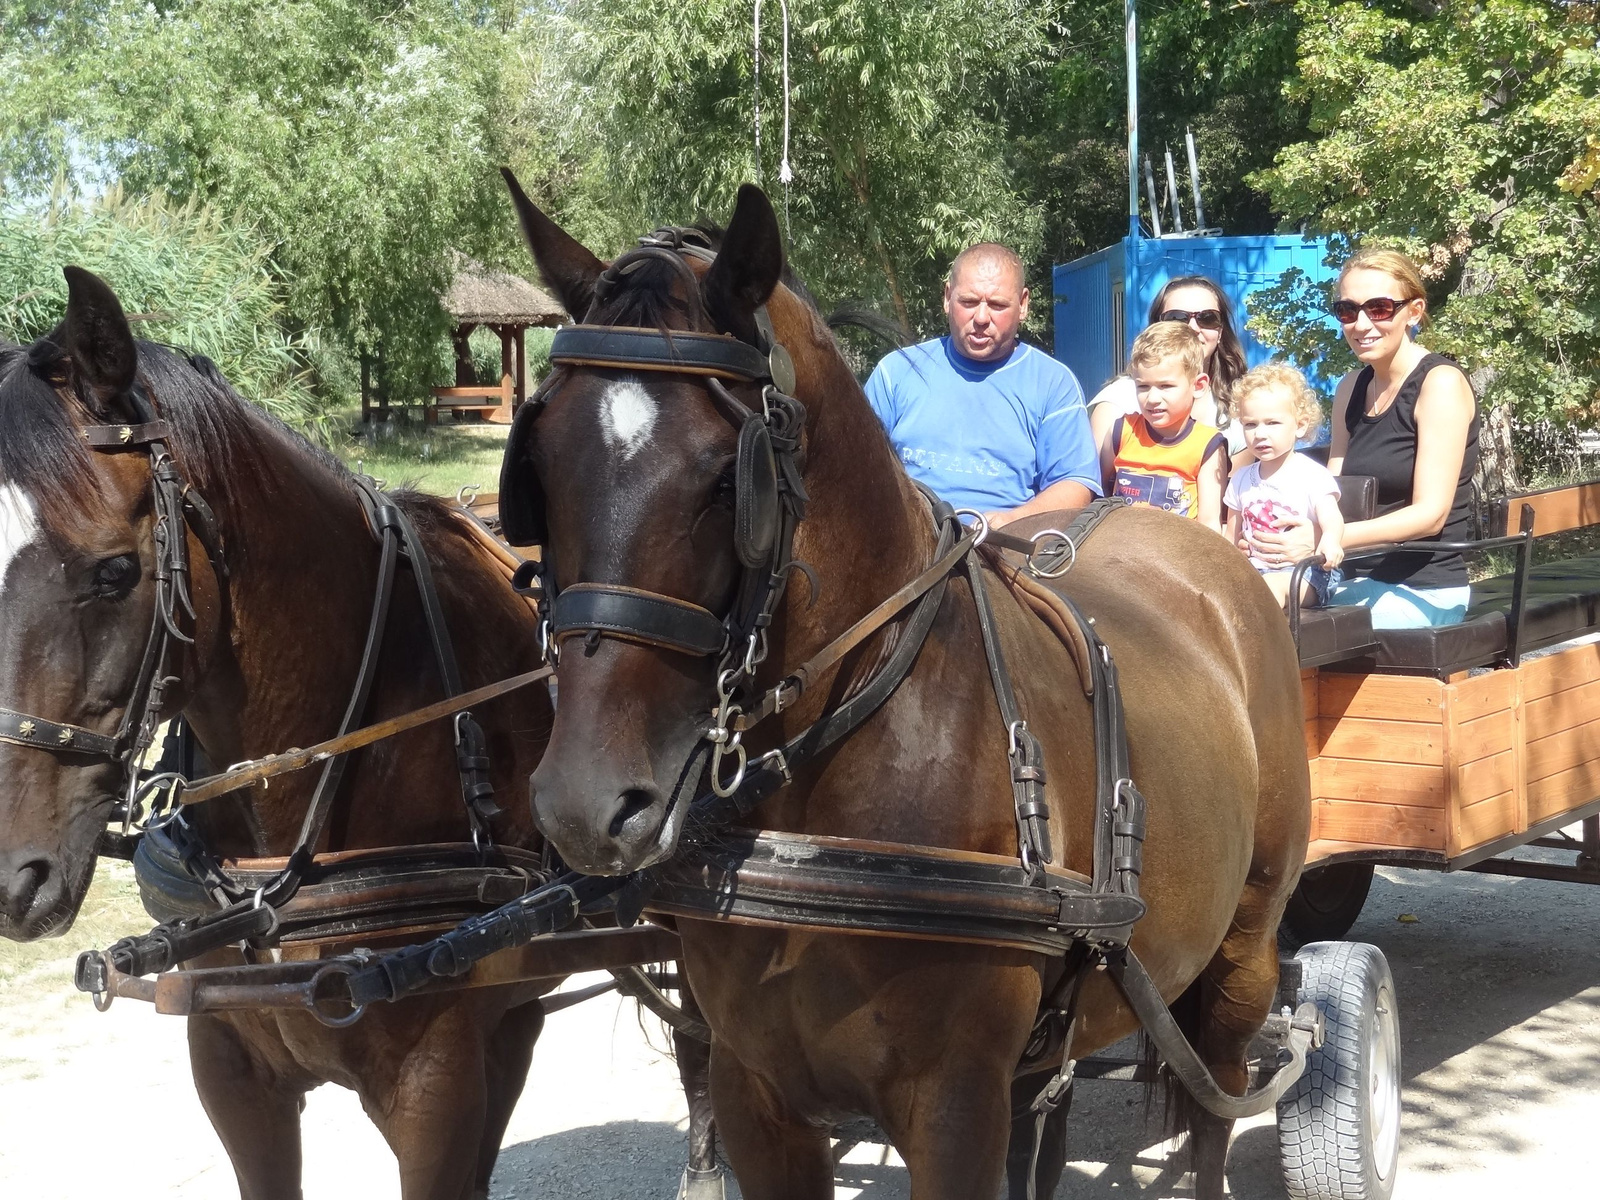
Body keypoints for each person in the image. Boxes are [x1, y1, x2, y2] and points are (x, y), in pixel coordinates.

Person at [1244, 248, 1479, 628]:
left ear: (1414, 312)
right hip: (1345, 577)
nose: (1362, 323)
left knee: (1268, 627)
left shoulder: (1440, 384)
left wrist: (1325, 537)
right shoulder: (1351, 388)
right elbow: (1333, 492)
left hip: (1421, 590)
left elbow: (1430, 516)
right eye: (1348, 311)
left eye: (1381, 308)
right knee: (1236, 597)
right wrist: (1271, 537)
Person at [865, 243, 1101, 528]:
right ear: (947, 297)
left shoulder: (1053, 383)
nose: (981, 318)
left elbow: (1075, 486)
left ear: (1023, 305)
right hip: (907, 545)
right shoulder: (896, 372)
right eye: (968, 302)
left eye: (998, 305)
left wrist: (1011, 520)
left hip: (1004, 550)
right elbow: (857, 465)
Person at [1088, 275, 1250, 460]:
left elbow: (1237, 487)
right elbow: (1096, 484)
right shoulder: (1119, 400)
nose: (1193, 328)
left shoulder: (1241, 408)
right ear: (1158, 326)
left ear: (1220, 331)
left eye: (1207, 318)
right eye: (1177, 318)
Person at [1224, 363, 1345, 608]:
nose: (1259, 434)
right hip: (1254, 571)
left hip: (1307, 573)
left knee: (1269, 590)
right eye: (1250, 424)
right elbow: (1231, 535)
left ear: (1300, 425)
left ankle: (1261, 646)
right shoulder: (1239, 479)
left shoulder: (1311, 475)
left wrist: (1330, 541)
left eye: (1272, 423)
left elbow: (1332, 520)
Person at [1102, 321, 1227, 532]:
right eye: (1143, 386)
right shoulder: (1121, 431)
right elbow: (1098, 491)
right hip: (1121, 546)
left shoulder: (1208, 445)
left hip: (1177, 555)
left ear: (1198, 386)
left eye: (1166, 386)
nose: (1152, 398)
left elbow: (1209, 523)